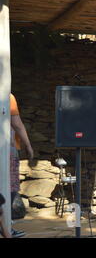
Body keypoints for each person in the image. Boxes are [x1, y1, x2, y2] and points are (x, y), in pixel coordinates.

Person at [10, 93, 34, 238]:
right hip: (6, 148)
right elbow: (17, 124)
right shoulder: (7, 96)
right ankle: (7, 227)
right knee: (9, 189)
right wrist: (28, 146)